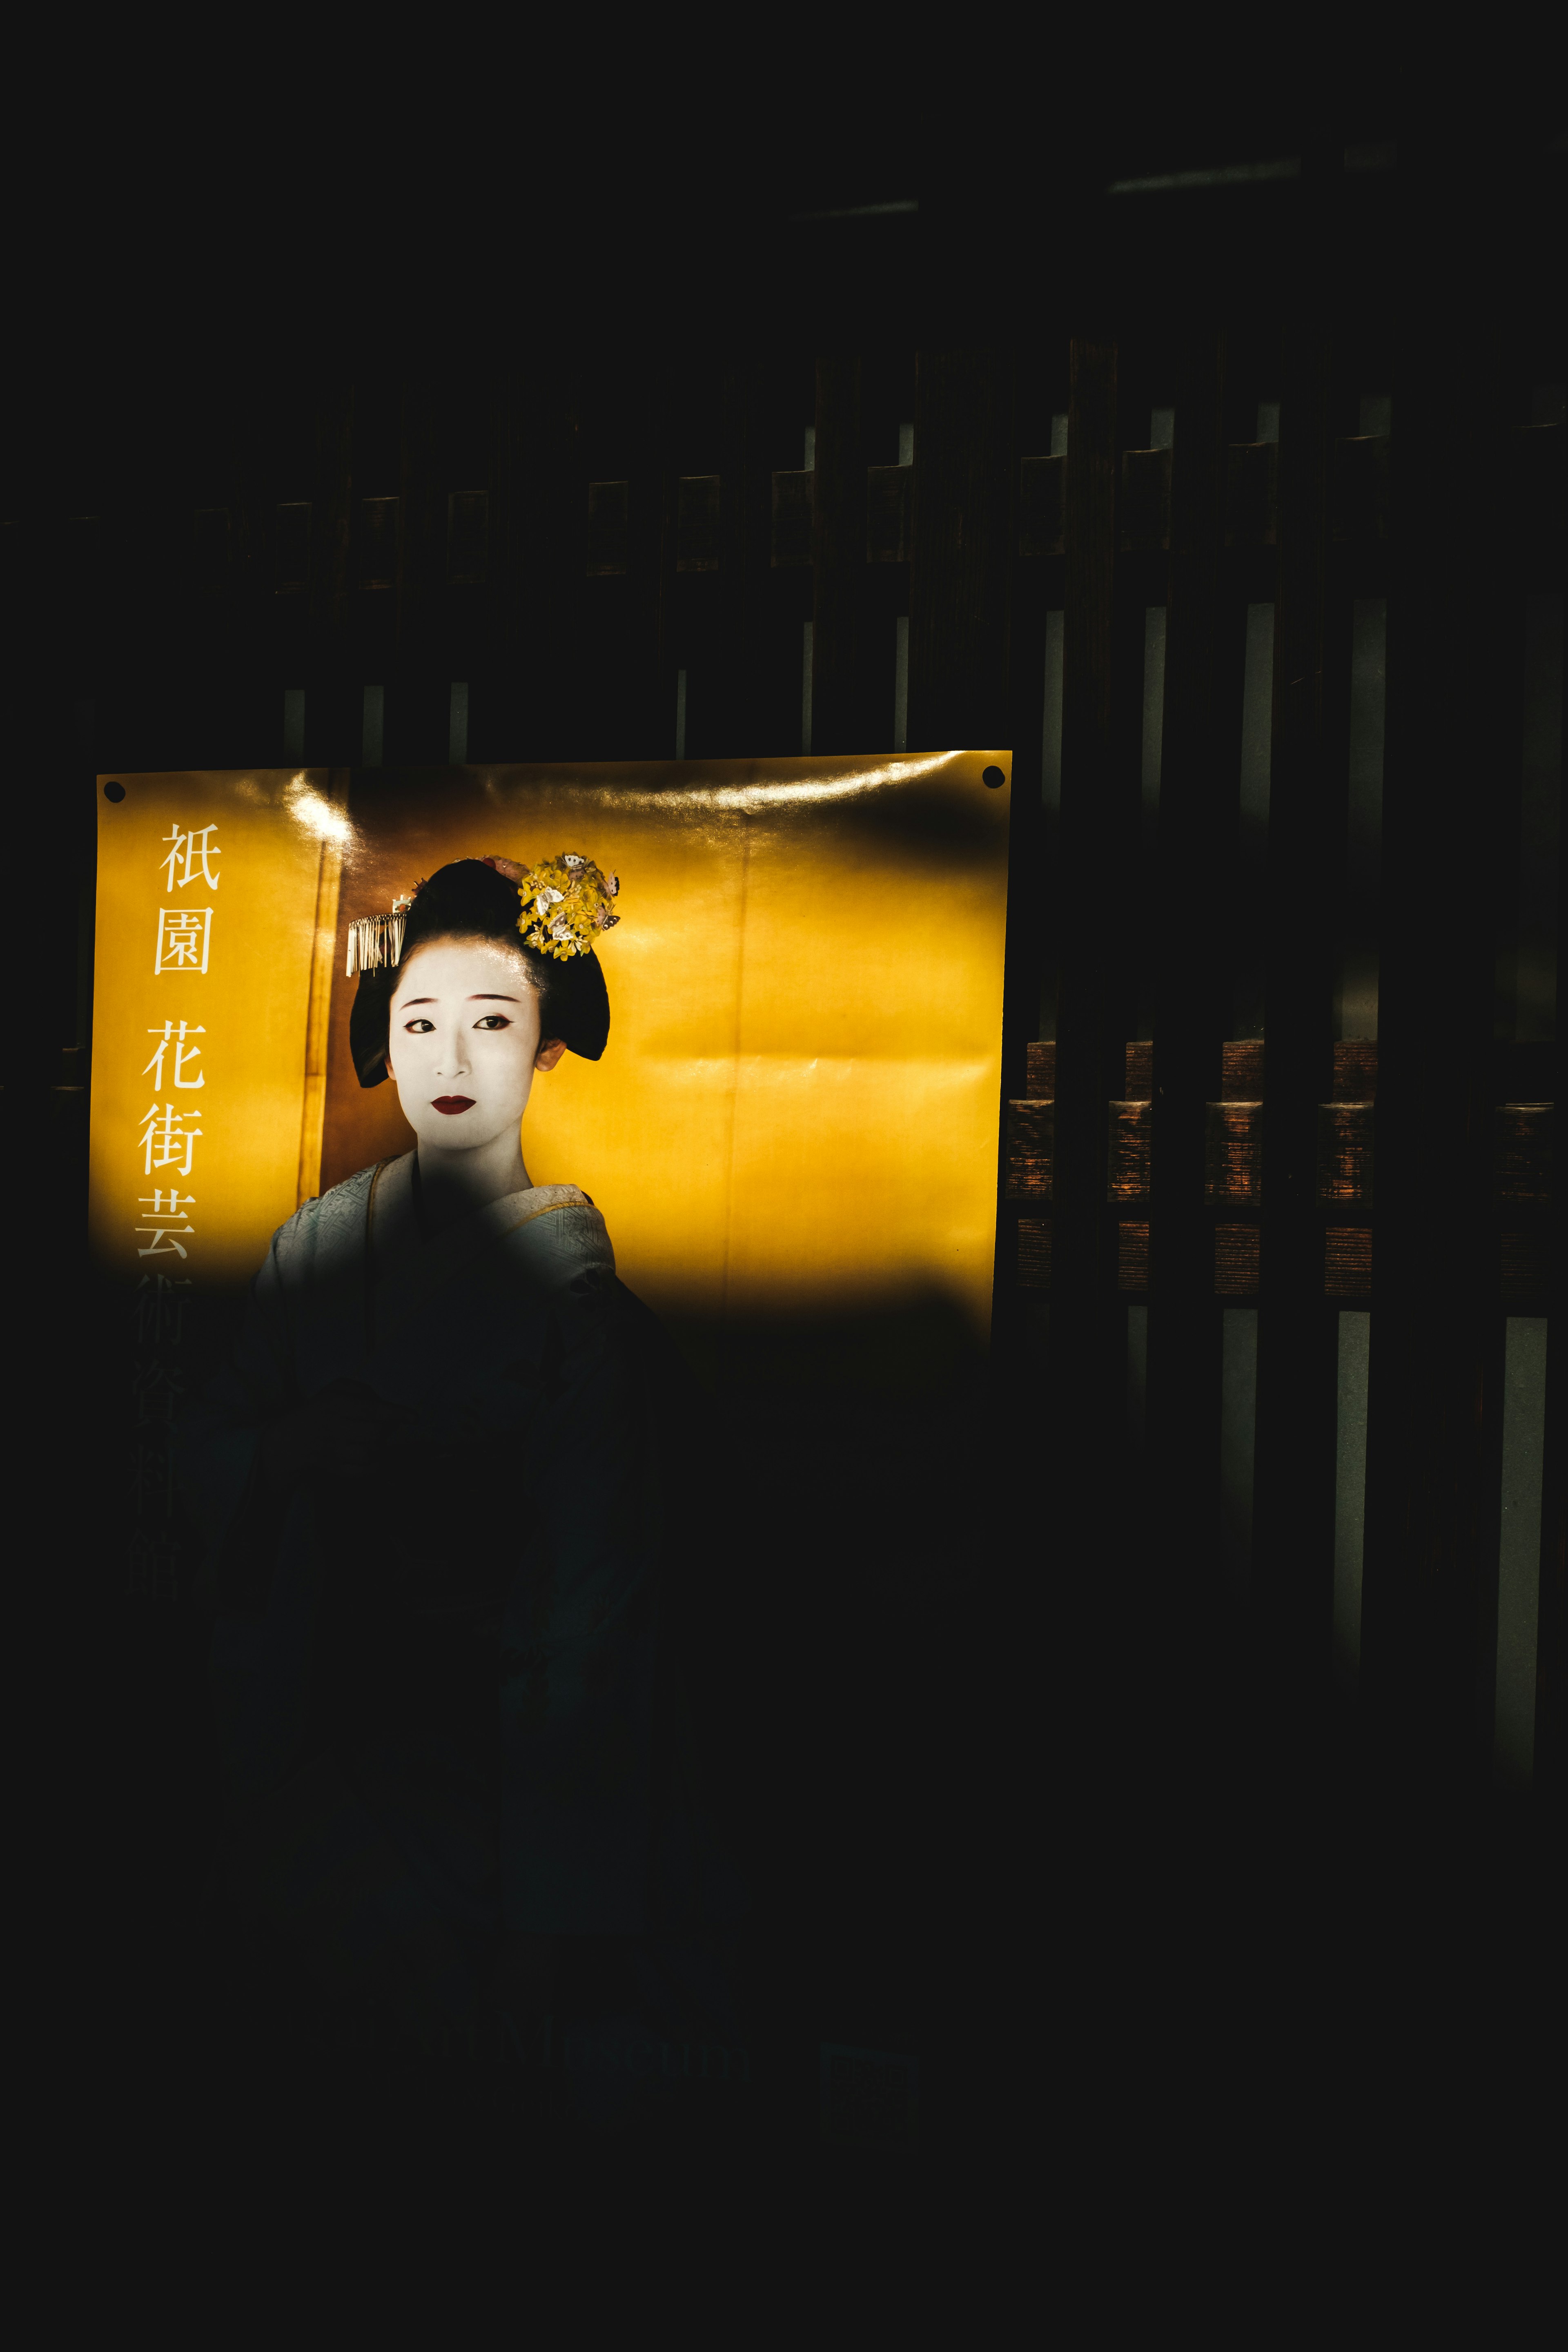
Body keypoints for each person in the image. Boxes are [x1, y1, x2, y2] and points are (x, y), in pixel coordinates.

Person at [176, 853, 749, 2146]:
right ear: (385, 1038)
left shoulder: (575, 1306)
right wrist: (292, 1449)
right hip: (321, 1733)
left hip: (505, 1784)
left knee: (485, 2100)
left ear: (547, 1047)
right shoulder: (317, 1246)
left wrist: (545, 1937)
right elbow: (204, 1444)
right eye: (421, 1022)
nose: (453, 1056)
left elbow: (591, 1625)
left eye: (495, 1023)